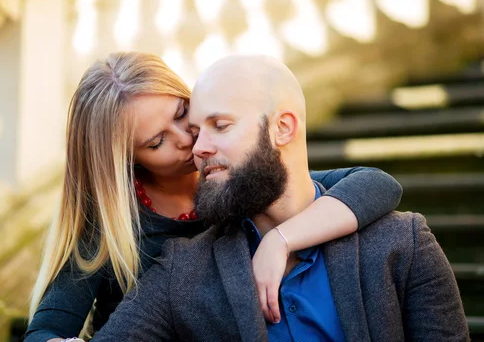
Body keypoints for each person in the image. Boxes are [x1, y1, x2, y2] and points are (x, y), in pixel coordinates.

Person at [26, 52, 404, 342]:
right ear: (127, 162)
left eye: (182, 113)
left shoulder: (235, 183)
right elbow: (45, 329)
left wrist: (280, 239)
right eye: (157, 142)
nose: (187, 139)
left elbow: (374, 184)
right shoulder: (111, 228)